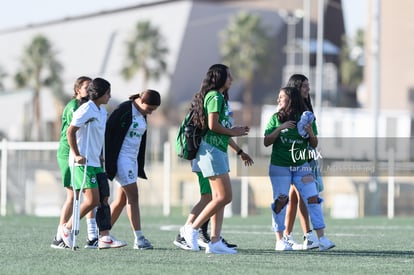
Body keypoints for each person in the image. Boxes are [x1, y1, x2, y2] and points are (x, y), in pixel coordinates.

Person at [179, 64, 253, 254]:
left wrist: (239, 151)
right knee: (224, 196)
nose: (232, 79)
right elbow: (213, 126)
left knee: (218, 198)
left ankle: (215, 240)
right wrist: (234, 131)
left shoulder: (220, 98)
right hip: (210, 151)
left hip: (217, 151)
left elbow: (222, 132)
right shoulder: (215, 96)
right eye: (229, 76)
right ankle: (191, 229)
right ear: (219, 78)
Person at [264, 86, 335, 251]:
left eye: (280, 97)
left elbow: (314, 144)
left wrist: (310, 132)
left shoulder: (305, 118)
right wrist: (280, 128)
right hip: (280, 166)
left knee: (313, 197)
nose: (278, 100)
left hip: (301, 166)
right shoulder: (276, 118)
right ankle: (280, 240)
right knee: (281, 200)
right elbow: (266, 141)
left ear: (289, 100)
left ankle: (322, 238)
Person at [60, 77, 126, 249]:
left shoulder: (102, 111)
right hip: (83, 162)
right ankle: (67, 228)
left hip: (96, 161)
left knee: (104, 197)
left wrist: (101, 155)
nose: (110, 96)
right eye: (107, 93)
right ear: (99, 94)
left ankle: (104, 237)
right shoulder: (86, 109)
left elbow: (98, 137)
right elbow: (70, 131)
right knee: (92, 200)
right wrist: (76, 154)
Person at [105, 89, 161, 250]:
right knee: (134, 197)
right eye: (150, 109)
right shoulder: (124, 110)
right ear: (142, 102)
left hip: (132, 161)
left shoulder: (142, 113)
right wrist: (108, 159)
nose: (150, 113)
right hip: (121, 160)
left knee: (121, 200)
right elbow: (109, 131)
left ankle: (101, 235)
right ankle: (139, 239)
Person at [51, 76, 99, 249]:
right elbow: (72, 132)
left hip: (81, 154)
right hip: (68, 153)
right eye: (86, 87)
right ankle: (60, 236)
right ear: (77, 90)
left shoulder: (89, 106)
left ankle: (92, 235)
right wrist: (76, 154)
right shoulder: (73, 107)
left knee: (88, 195)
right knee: (72, 195)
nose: (89, 89)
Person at [283, 74, 319, 250]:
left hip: (304, 159)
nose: (308, 89)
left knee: (294, 197)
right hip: (291, 159)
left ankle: (286, 236)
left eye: (308, 85)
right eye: (304, 86)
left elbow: (314, 141)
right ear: (296, 88)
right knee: (301, 196)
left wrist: (310, 132)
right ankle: (308, 236)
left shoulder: (307, 110)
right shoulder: (288, 110)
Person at [173, 160, 238, 250]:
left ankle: (207, 235)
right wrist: (239, 151)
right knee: (208, 197)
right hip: (205, 162)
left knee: (212, 198)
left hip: (210, 161)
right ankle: (186, 233)